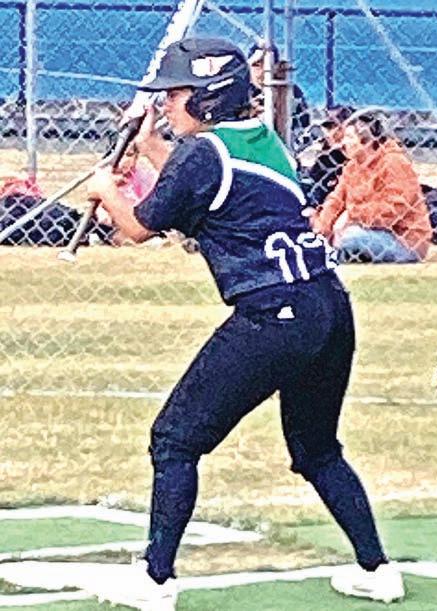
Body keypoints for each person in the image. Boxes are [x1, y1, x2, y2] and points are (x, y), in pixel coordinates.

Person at [85, 37, 404, 608]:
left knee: (174, 439)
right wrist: (151, 144)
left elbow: (138, 227)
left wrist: (106, 189)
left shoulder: (203, 154)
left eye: (176, 95)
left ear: (207, 97)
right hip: (328, 305)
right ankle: (377, 570)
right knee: (316, 449)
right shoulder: (260, 139)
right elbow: (198, 185)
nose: (167, 105)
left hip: (274, 313)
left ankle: (155, 581)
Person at [311, 111, 432, 263]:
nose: (343, 143)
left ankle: (335, 252)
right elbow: (335, 201)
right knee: (326, 230)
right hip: (364, 230)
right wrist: (320, 230)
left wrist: (352, 215)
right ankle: (331, 251)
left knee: (352, 237)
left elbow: (394, 210)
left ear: (366, 141)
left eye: (349, 137)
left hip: (403, 241)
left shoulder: (394, 162)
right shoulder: (352, 166)